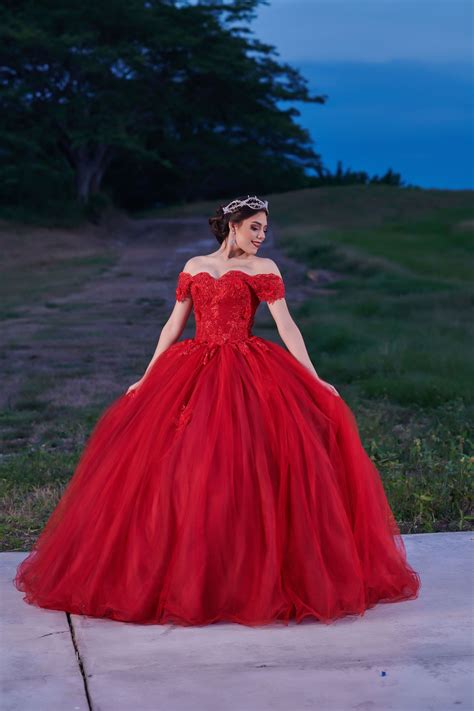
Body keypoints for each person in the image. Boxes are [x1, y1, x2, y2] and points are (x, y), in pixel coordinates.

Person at [13, 195, 421, 627]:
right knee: (183, 465)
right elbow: (173, 323)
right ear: (233, 226)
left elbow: (286, 326)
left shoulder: (264, 270)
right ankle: (185, 570)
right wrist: (148, 376)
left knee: (246, 466)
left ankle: (243, 576)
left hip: (247, 368)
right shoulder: (194, 265)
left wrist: (314, 377)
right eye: (255, 228)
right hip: (193, 367)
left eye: (265, 229)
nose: (262, 237)